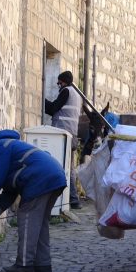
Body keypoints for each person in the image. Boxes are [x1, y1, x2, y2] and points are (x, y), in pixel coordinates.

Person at [0, 129, 67, 272]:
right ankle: (42, 265)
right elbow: (8, 196)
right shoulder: (11, 150)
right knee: (40, 223)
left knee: (27, 218)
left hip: (39, 178)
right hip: (55, 175)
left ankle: (24, 265)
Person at [45, 70, 83, 209]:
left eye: (59, 82)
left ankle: (62, 201)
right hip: (72, 134)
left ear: (64, 82)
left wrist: (42, 100)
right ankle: (73, 199)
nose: (57, 84)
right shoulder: (76, 94)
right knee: (69, 168)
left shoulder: (66, 91)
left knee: (60, 167)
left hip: (62, 133)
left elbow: (54, 108)